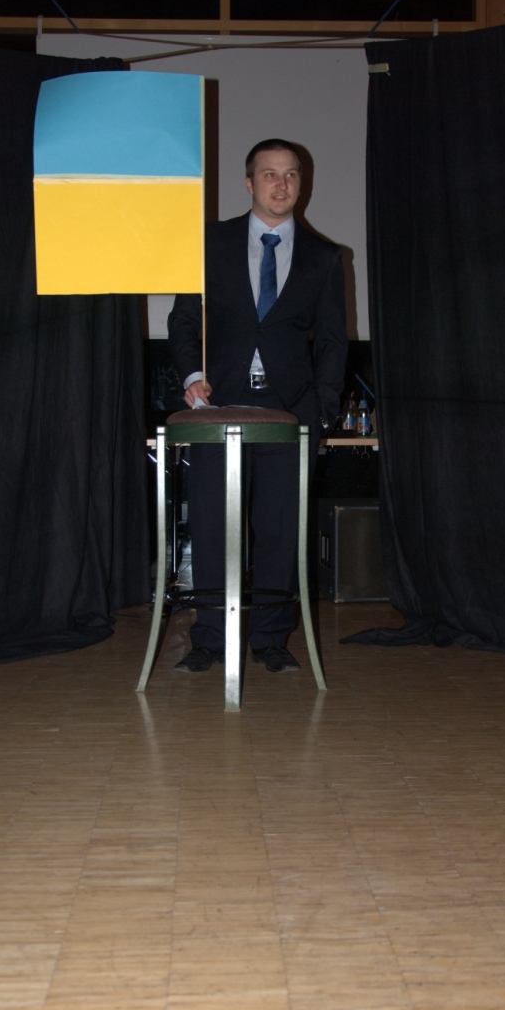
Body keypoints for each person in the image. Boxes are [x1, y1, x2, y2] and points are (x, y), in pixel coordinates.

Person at [168, 138, 347, 673]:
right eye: (270, 174)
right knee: (211, 526)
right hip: (218, 406)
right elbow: (184, 319)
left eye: (291, 174)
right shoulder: (209, 243)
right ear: (249, 183)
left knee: (279, 531)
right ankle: (209, 639)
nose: (281, 183)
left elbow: (333, 340)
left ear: (301, 184)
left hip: (290, 412)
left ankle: (270, 638)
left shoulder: (324, 257)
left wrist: (322, 409)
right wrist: (192, 377)